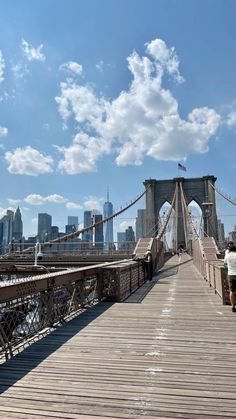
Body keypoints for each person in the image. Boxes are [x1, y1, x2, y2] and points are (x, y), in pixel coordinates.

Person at [224, 243, 236, 312]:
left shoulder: (227, 255)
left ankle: (233, 306)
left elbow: (225, 264)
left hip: (231, 275)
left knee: (232, 291)